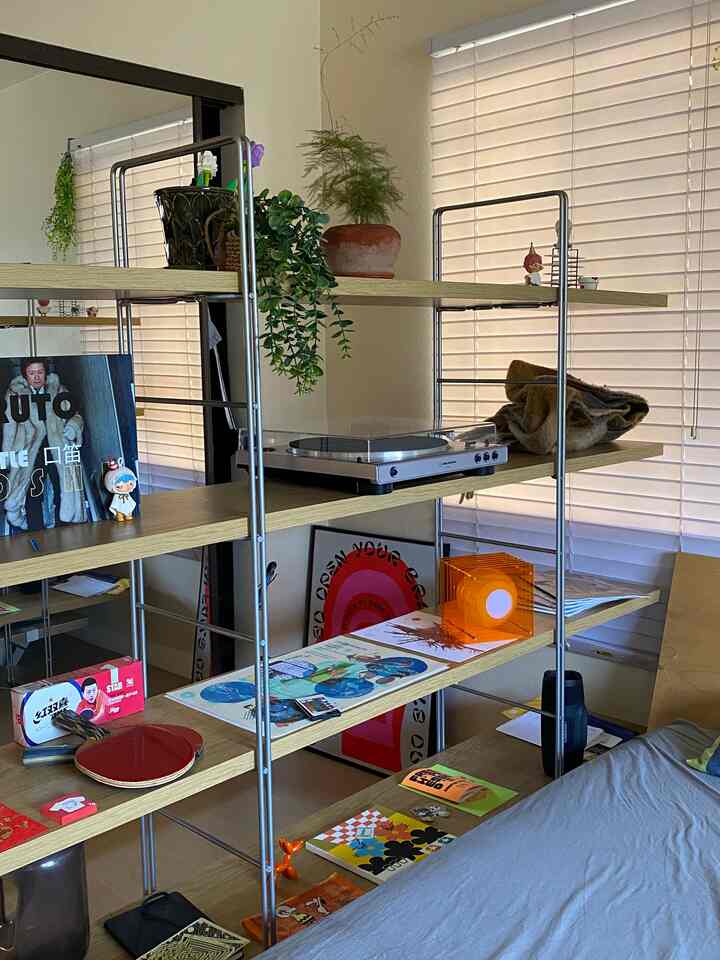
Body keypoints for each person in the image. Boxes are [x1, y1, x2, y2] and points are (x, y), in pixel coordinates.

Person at [2, 359, 85, 532]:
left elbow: (75, 416)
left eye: (40, 372)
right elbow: (9, 427)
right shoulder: (15, 394)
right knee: (33, 490)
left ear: (46, 373)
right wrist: (8, 454)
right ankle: (35, 530)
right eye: (32, 373)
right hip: (31, 449)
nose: (36, 377)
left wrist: (72, 427)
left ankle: (63, 527)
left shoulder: (60, 390)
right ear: (25, 375)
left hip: (57, 447)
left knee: (62, 485)